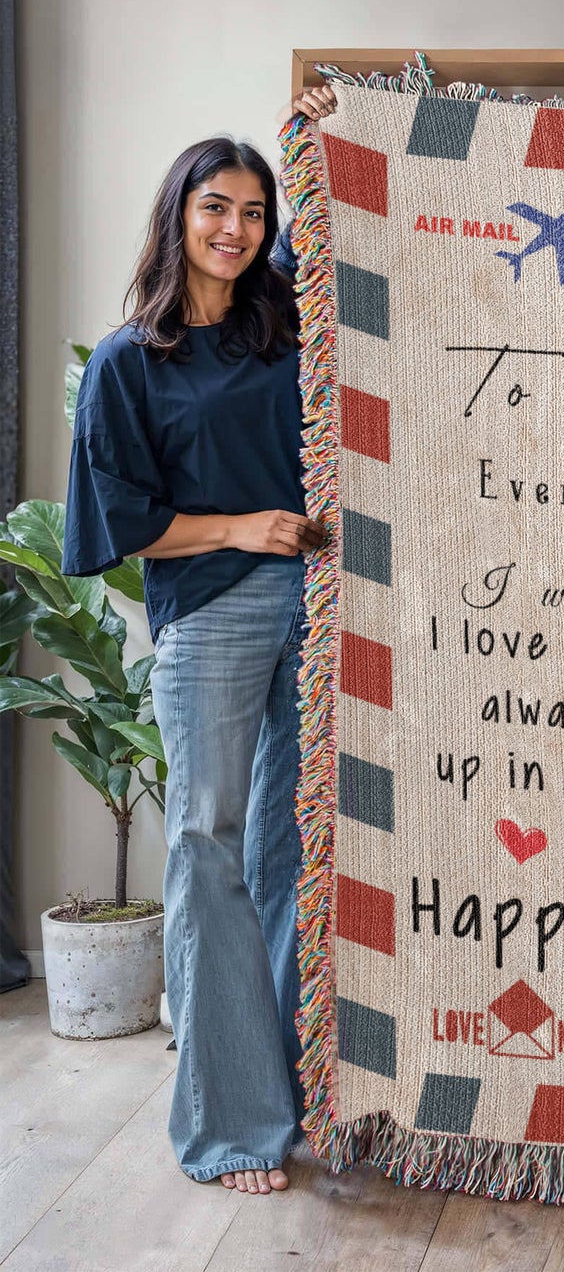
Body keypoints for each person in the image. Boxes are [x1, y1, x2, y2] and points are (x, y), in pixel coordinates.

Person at [61, 131, 328, 1193]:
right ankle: (227, 1125)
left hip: (316, 609)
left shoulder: (287, 319)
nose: (234, 229)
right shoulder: (132, 358)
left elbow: (347, 215)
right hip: (209, 615)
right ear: (178, 213)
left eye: (252, 213)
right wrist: (237, 527)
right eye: (214, 207)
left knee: (288, 849)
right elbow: (116, 523)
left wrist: (316, 126)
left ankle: (284, 1092)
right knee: (208, 846)